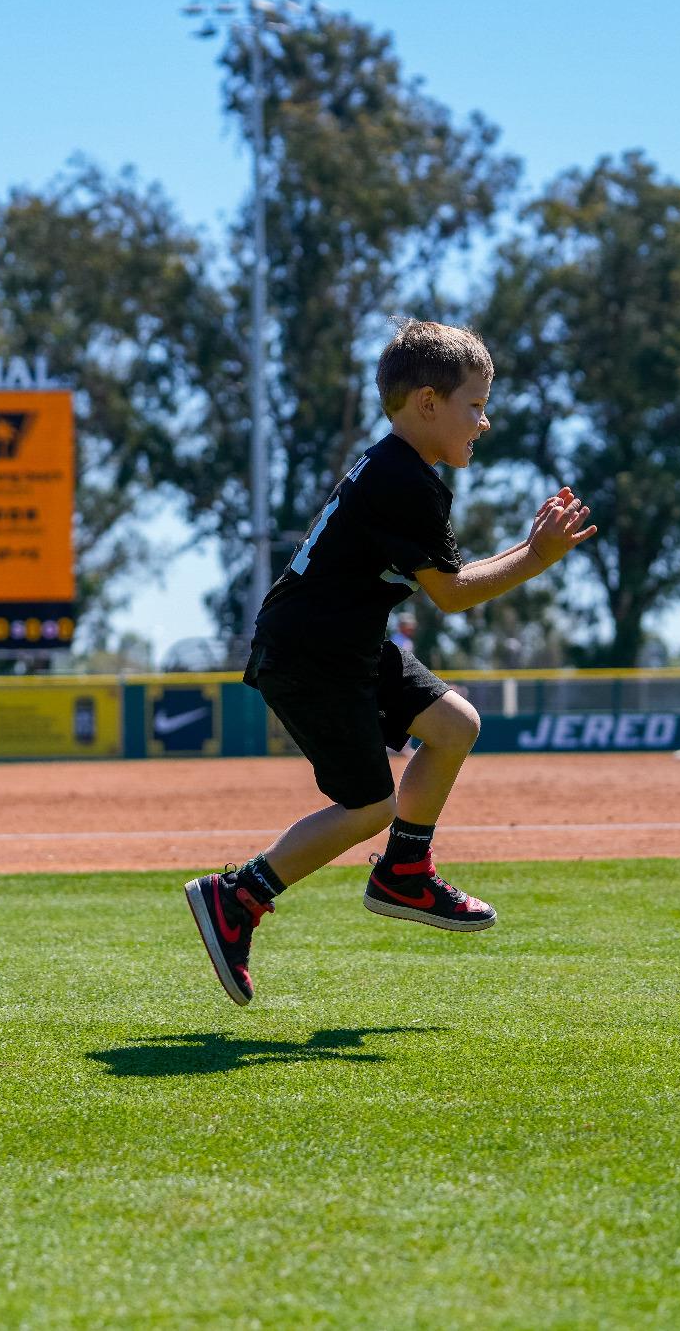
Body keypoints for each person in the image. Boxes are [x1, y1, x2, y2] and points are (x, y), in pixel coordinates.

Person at [185, 320, 596, 1006]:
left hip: (341, 643)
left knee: (453, 724)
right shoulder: (407, 480)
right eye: (475, 404)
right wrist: (538, 556)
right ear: (428, 403)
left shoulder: (401, 469)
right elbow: (454, 594)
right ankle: (237, 897)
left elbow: (441, 580)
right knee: (368, 804)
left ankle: (405, 870)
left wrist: (531, 549)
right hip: (310, 652)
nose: (484, 422)